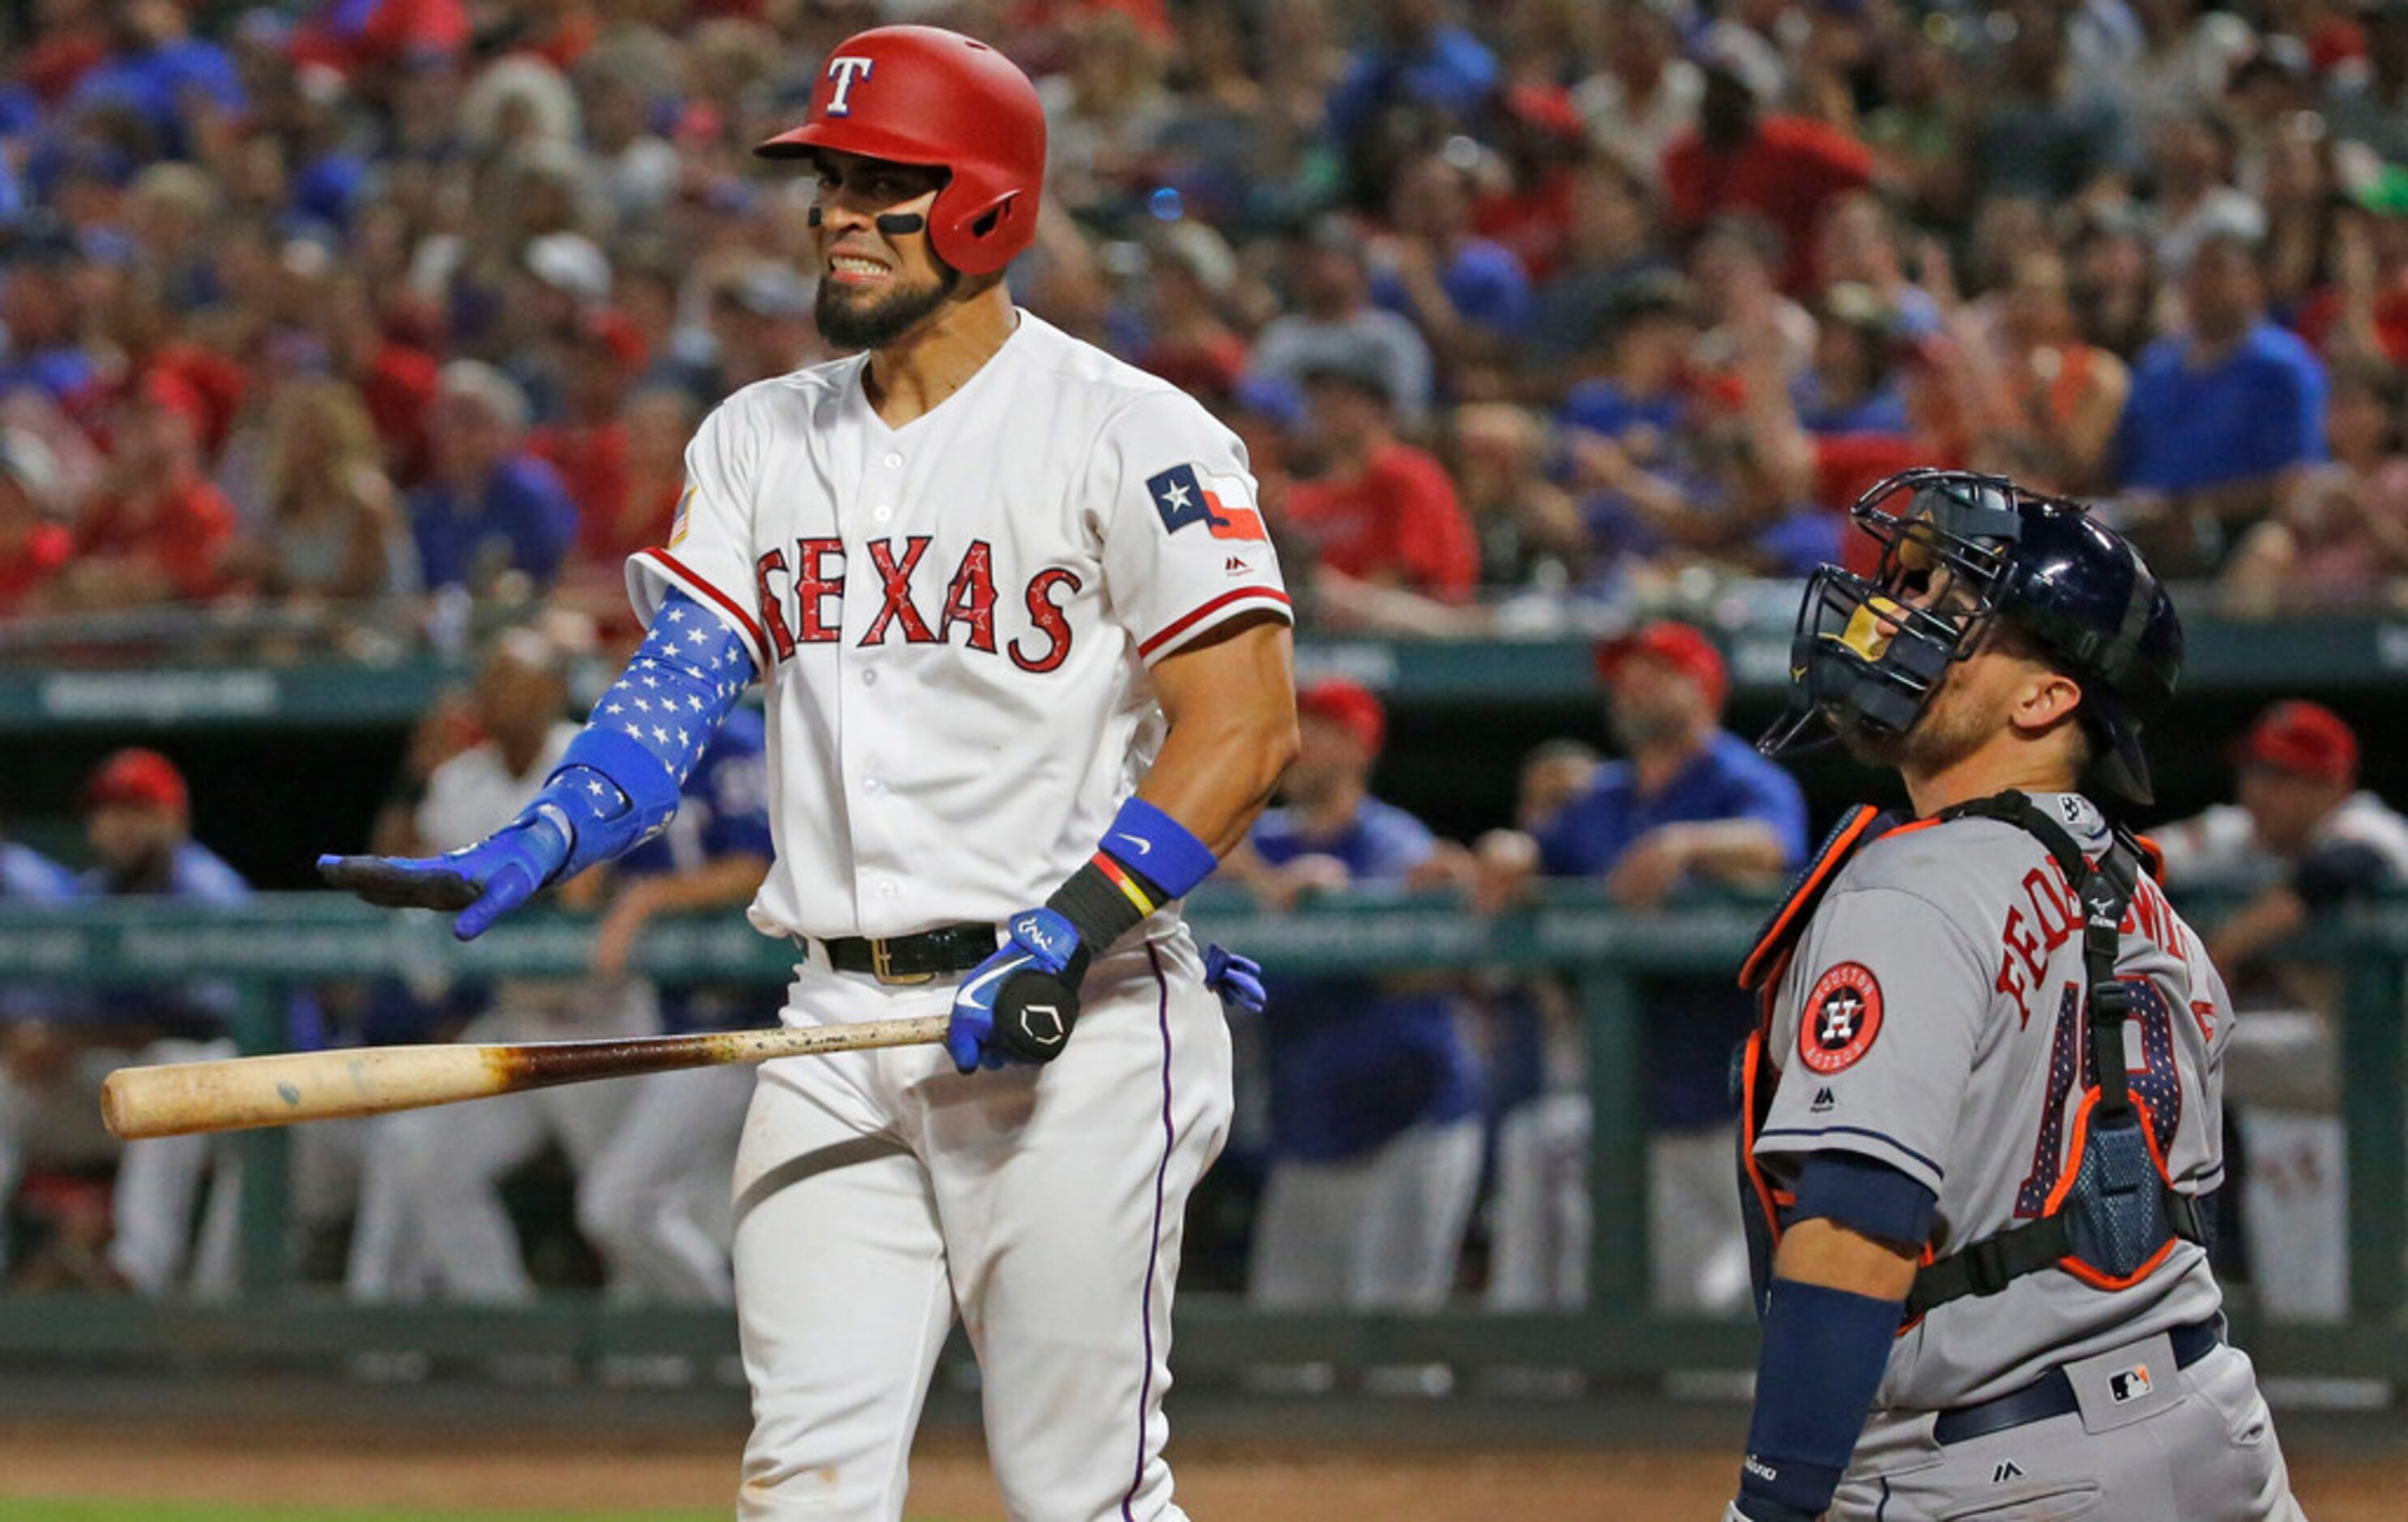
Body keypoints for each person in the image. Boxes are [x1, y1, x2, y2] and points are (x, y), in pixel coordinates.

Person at [318, 25, 1292, 1521]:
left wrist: (1077, 925)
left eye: (882, 180)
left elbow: (1245, 727)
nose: (837, 209)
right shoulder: (761, 435)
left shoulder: (1133, 430)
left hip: (1076, 1023)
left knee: (1078, 1488)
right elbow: (679, 684)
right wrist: (547, 830)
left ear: (983, 202)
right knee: (802, 1490)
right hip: (832, 1023)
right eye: (828, 177)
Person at [1729, 468, 2301, 1521]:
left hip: (1995, 1470)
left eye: (1947, 606)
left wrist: (1773, 1498)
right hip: (2217, 1429)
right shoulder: (2148, 902)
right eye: (1903, 586)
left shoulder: (1914, 885)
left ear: (2046, 696)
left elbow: (1857, 1224)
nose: (1890, 617)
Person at [1478, 622, 1806, 1315]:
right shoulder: (1604, 796)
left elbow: (1776, 843)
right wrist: (1512, 849)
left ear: (1703, 686)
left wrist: (1688, 843)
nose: (1631, 687)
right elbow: (1538, 852)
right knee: (1681, 1300)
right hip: (1643, 1101)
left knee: (1762, 1303)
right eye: (1625, 676)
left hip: (1743, 1098)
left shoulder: (1738, 777)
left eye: (1654, 673)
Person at [342, 629, 655, 1306]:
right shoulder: (459, 780)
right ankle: (509, 1333)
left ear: (550, 690)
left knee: (626, 1203)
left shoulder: (593, 760)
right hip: (515, 1019)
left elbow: (582, 894)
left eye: (514, 679)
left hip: (602, 1024)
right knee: (422, 1150)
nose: (496, 693)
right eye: (489, 679)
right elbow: (401, 873)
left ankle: (658, 1359)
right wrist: (413, 776)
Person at [1226, 679, 1480, 1314]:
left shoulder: (1391, 839)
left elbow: (1425, 969)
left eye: (1314, 732)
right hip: (1309, 1127)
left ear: (1357, 748)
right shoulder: (1265, 841)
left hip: (1411, 1119)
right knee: (1285, 1344)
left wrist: (1351, 900)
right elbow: (1201, 848)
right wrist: (1266, 881)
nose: (1293, 746)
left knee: (1393, 1342)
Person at [2154, 700, 2408, 1319]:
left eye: (2282, 778)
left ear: (2332, 786)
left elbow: (2334, 874)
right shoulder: (2245, 832)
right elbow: (2139, 854)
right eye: (2255, 773)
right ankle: (2213, 1264)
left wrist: (2222, 949)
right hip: (2327, 1062)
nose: (2258, 793)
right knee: (2176, 1059)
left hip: (2389, 1069)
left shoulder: (2371, 830)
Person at [73, 749, 257, 1298]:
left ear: (174, 818)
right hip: (115, 1074)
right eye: (108, 811)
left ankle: (141, 1271)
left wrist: (83, 1032)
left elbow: (210, 1019)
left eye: (137, 809)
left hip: (229, 1072)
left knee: (169, 1073)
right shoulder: (90, 894)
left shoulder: (210, 891)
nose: (119, 825)